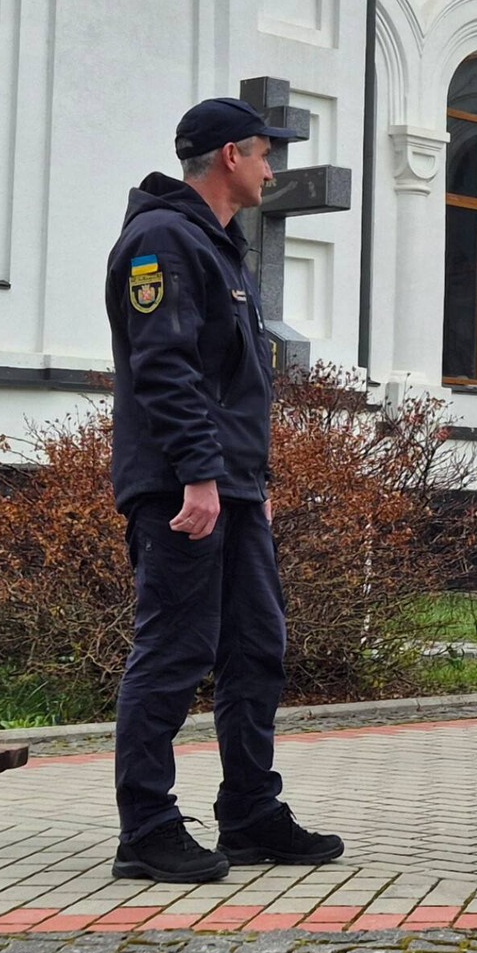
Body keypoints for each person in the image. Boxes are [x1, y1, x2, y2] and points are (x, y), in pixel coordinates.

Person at [104, 97, 344, 883]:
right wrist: (203, 477)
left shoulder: (214, 246)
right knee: (175, 651)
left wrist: (251, 481)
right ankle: (146, 828)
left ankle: (248, 811)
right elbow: (166, 371)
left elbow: (232, 382)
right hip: (184, 490)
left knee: (255, 647)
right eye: (265, 153)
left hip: (230, 488)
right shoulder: (163, 242)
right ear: (231, 156)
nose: (274, 167)